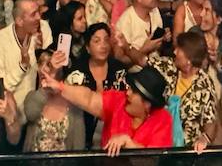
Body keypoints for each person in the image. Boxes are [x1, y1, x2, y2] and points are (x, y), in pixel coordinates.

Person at [39, 61, 176, 154]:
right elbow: (89, 98)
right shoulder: (119, 100)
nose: (127, 92)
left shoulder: (163, 119)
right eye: (130, 88)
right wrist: (60, 87)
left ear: (147, 104)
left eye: (134, 92)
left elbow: (154, 160)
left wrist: (128, 143)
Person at [151, 30, 222, 150]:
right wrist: (126, 47)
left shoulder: (204, 85)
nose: (174, 52)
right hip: (160, 144)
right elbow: (142, 61)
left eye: (179, 50)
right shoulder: (169, 67)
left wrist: (204, 139)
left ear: (189, 60)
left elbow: (210, 122)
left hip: (186, 151)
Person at [0, 0, 52, 110]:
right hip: (13, 113)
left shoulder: (44, 28)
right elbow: (0, 87)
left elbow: (51, 75)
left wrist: (42, 56)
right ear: (19, 21)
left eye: (38, 12)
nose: (39, 17)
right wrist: (22, 65)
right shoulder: (0, 40)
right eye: (33, 14)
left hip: (39, 109)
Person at [24, 50, 87, 151]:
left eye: (49, 64)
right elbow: (31, 113)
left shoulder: (74, 104)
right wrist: (46, 87)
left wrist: (53, 75)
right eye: (40, 63)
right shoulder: (33, 96)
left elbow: (79, 147)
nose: (43, 69)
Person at [115, 0, 166, 65]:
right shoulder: (126, 21)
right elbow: (120, 60)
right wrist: (144, 50)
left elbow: (159, 48)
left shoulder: (155, 11)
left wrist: (163, 39)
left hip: (157, 66)